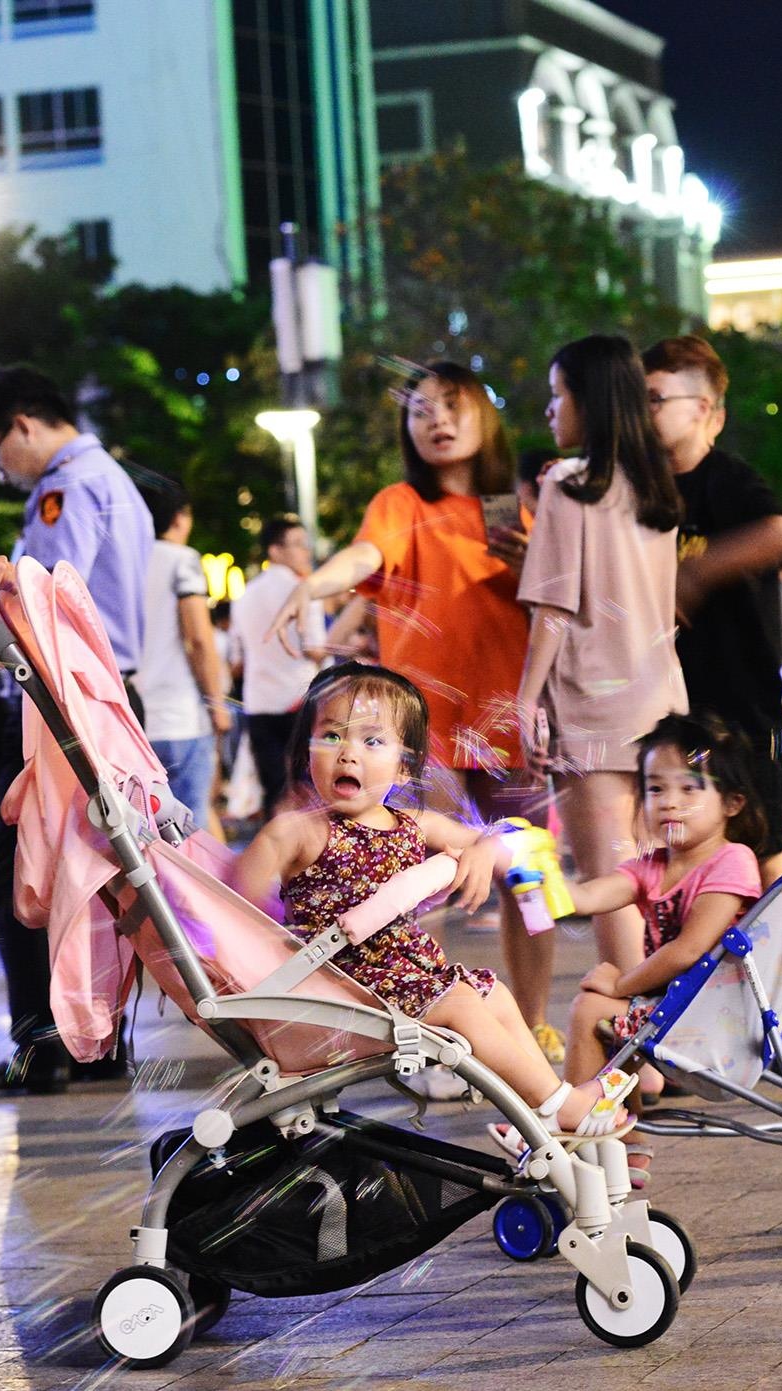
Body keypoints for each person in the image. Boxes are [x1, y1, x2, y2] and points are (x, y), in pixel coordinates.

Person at [263, 363, 555, 1051]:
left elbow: (560, 602)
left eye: (452, 407)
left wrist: (534, 562)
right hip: (421, 733)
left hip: (511, 722)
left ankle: (533, 1020)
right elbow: (363, 555)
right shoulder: (401, 503)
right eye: (420, 410)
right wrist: (313, 586)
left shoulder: (516, 509)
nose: (436, 421)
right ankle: (432, 1033)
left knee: (529, 880)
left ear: (487, 418)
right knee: (411, 884)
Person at [231, 662, 636, 1140]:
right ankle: (561, 1103)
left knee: (495, 996)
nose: (349, 756)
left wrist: (486, 847)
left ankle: (539, 1112)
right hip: (348, 991)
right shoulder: (296, 831)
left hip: (408, 980)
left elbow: (503, 834)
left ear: (404, 766)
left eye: (372, 741)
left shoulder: (415, 824)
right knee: (461, 1004)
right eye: (332, 737)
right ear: (305, 754)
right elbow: (237, 911)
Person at [0, 364, 154, 1096]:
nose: (0, 469)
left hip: (59, 698)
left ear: (24, 424)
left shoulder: (64, 489)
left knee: (23, 873)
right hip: (109, 694)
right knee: (104, 874)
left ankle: (41, 1048)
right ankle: (100, 1044)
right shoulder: (119, 481)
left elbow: (37, 604)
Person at [516, 334, 687, 972]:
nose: (550, 410)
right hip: (658, 699)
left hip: (592, 704)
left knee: (608, 879)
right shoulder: (655, 489)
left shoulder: (570, 484)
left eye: (558, 395)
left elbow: (554, 609)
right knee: (648, 876)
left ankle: (633, 1035)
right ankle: (662, 1030)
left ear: (589, 402)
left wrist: (525, 699)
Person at [557, 713, 766, 1184]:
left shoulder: (732, 861)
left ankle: (572, 1130)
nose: (670, 803)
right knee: (600, 1007)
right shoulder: (650, 866)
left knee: (593, 1008)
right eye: (655, 789)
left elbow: (689, 950)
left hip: (713, 1020)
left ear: (732, 802)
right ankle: (620, 1140)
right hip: (670, 1011)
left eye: (690, 788)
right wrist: (537, 881)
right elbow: (589, 896)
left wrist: (622, 983)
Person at [643, 334, 782, 885]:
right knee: (677, 859)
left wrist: (696, 574)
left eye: (655, 399)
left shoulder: (729, 480)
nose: (642, 414)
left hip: (742, 704)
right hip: (668, 704)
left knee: (761, 846)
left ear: (705, 411)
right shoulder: (635, 491)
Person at [139, 482, 230, 828]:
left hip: (132, 721)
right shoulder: (182, 560)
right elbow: (199, 639)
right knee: (191, 830)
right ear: (180, 518)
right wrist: (217, 703)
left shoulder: (121, 562)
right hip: (180, 718)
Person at [231, 516, 327, 814]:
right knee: (309, 789)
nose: (306, 552)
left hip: (259, 702)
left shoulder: (245, 594)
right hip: (298, 701)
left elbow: (237, 659)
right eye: (298, 545)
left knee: (274, 789)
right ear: (275, 550)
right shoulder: (304, 590)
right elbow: (316, 649)